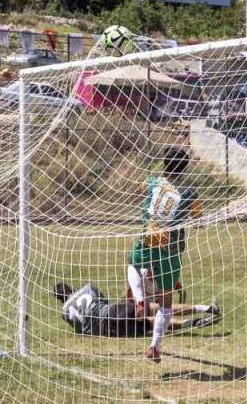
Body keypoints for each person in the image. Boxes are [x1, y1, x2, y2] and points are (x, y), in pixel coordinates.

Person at [128, 148, 212, 362]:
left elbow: (140, 189)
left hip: (147, 239)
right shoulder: (190, 193)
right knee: (166, 300)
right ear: (185, 168)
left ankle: (139, 301)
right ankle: (154, 347)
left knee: (132, 265)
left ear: (164, 164)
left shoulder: (154, 181)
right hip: (171, 249)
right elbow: (199, 221)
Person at [54, 283, 218, 338]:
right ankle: (207, 308)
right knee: (157, 308)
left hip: (107, 331)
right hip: (111, 311)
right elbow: (103, 300)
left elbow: (80, 329)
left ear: (60, 299)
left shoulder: (64, 313)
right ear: (71, 287)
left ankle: (195, 323)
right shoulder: (86, 288)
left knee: (151, 324)